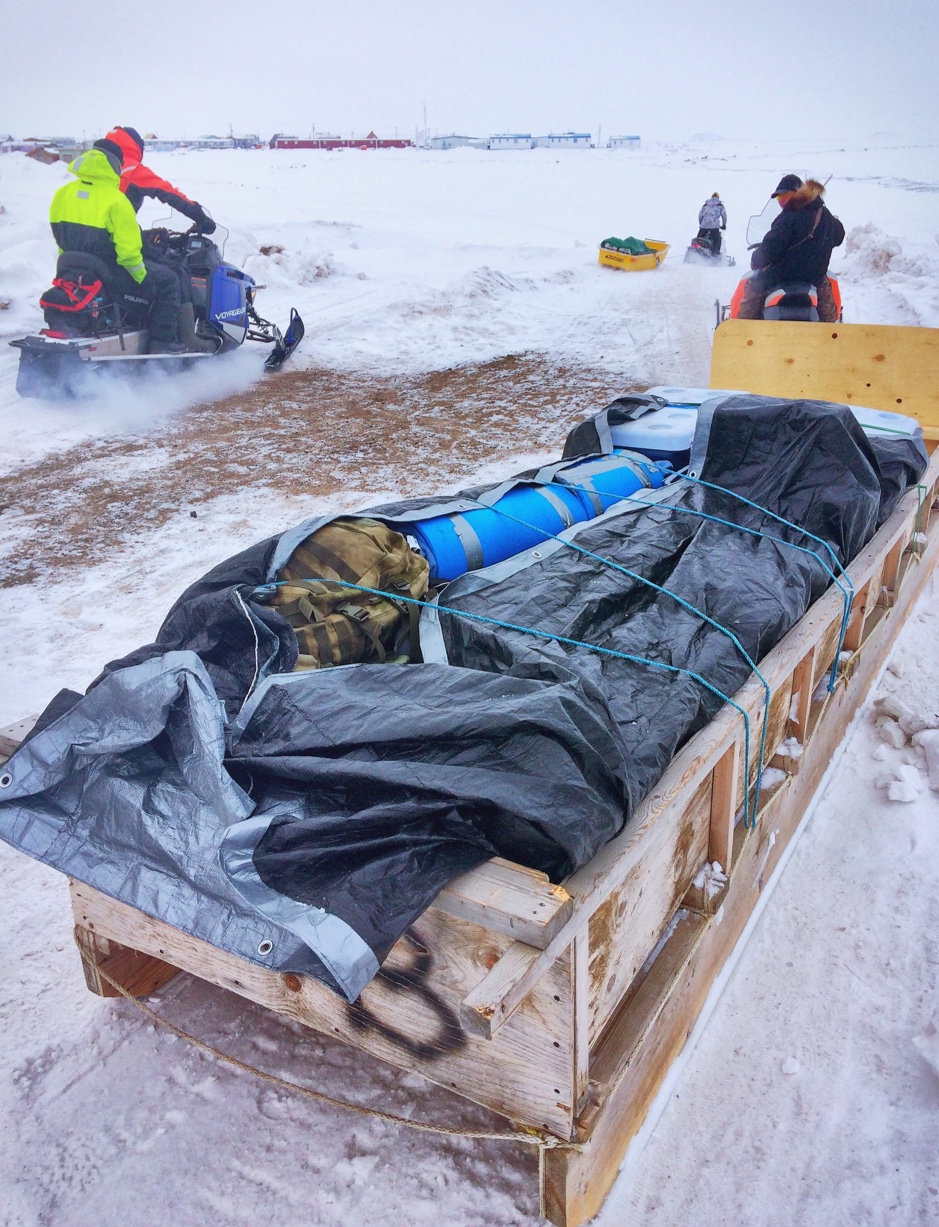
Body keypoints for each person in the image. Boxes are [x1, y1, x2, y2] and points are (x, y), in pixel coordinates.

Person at [49, 138, 183, 351]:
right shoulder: (117, 201)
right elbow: (129, 254)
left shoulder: (62, 194)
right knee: (168, 280)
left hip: (75, 270)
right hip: (109, 271)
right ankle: (162, 344)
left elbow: (60, 239)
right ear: (114, 165)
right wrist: (145, 281)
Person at [737, 175, 845, 322]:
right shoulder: (824, 215)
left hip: (782, 275)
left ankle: (743, 331)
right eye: (778, 198)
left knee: (753, 286)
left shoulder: (790, 215)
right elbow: (839, 236)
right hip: (814, 277)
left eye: (784, 196)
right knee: (827, 303)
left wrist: (756, 259)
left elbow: (771, 247)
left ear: (797, 193)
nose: (781, 201)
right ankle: (830, 333)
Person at [104, 127, 216, 233]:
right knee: (155, 252)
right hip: (114, 235)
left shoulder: (90, 163)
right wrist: (200, 217)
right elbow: (167, 192)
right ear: (135, 146)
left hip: (89, 236)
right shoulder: (131, 168)